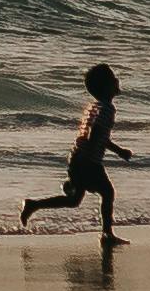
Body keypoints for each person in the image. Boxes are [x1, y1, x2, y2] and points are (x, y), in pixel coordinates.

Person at [22, 60, 121, 244]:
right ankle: (107, 234)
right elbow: (96, 133)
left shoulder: (94, 106)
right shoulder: (107, 109)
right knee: (107, 192)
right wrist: (90, 156)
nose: (118, 81)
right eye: (114, 79)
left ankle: (34, 204)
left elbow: (100, 136)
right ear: (107, 87)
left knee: (74, 200)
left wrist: (119, 151)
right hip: (88, 161)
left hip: (78, 158)